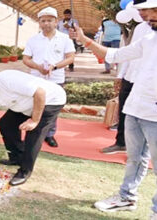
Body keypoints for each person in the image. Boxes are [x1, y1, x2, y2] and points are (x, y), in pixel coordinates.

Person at [69, 0, 157, 216]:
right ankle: (127, 197)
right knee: (135, 159)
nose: (144, 14)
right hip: (135, 109)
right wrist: (85, 41)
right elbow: (114, 55)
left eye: (150, 10)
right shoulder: (148, 38)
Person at [0, 66, 66, 186]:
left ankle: (24, 171)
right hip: (25, 104)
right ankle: (16, 157)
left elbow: (40, 92)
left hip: (50, 100)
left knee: (33, 134)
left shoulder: (8, 78)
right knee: (6, 124)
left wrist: (34, 121)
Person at [101, 4, 152, 154]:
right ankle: (121, 142)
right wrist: (120, 76)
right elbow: (127, 54)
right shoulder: (140, 28)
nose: (141, 13)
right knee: (124, 111)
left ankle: (142, 151)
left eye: (144, 9)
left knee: (147, 117)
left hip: (148, 81)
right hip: (130, 76)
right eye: (139, 10)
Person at [22, 7, 75, 148]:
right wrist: (38, 67)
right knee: (33, 106)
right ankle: (32, 132)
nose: (46, 23)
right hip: (36, 78)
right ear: (39, 22)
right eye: (43, 21)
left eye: (50, 20)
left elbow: (70, 58)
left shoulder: (64, 39)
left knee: (52, 108)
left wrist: (55, 66)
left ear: (56, 21)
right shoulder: (33, 40)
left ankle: (50, 134)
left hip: (56, 78)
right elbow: (26, 59)